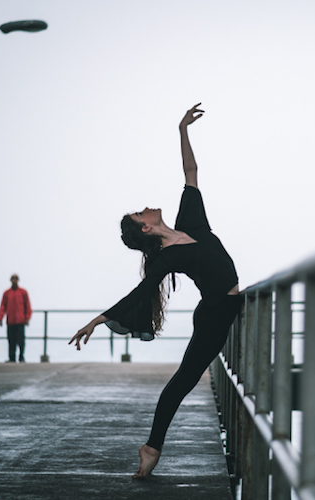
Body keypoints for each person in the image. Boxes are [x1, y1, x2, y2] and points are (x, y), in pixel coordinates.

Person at [69, 104, 243, 480]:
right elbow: (138, 293)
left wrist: (182, 129)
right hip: (216, 314)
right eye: (140, 213)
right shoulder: (165, 258)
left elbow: (191, 172)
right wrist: (98, 320)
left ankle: (151, 447)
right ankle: (152, 447)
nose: (146, 208)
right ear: (145, 229)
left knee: (184, 379)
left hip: (226, 308)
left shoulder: (191, 220)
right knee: (183, 380)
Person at [0, 274, 32, 363]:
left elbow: (27, 305)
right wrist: (0, 317)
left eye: (16, 279)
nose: (14, 280)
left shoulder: (23, 292)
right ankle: (12, 357)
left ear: (18, 280)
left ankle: (21, 357)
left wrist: (27, 318)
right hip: (11, 321)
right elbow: (3, 306)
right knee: (11, 340)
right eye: (13, 279)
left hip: (20, 320)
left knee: (21, 340)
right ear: (10, 280)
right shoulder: (7, 293)